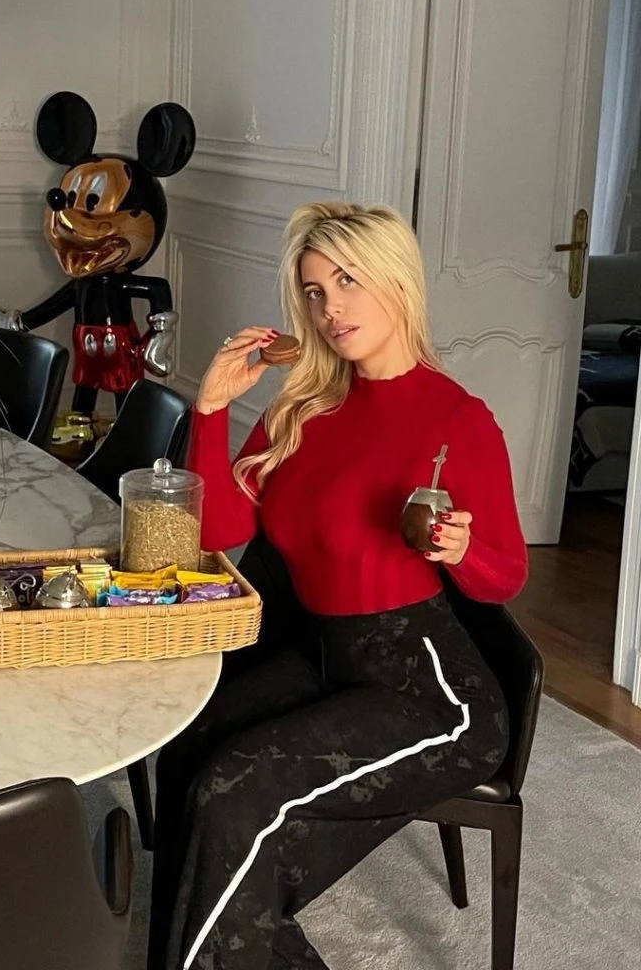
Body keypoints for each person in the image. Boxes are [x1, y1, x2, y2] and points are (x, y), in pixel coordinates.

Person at [147, 201, 528, 970]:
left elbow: (506, 576)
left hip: (432, 692)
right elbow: (218, 529)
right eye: (316, 291)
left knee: (237, 791)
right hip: (324, 658)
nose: (330, 309)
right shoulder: (305, 407)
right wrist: (212, 407)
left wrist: (461, 548)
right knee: (186, 750)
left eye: (348, 281)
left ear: (396, 280)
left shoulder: (457, 419)